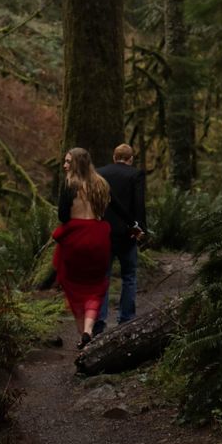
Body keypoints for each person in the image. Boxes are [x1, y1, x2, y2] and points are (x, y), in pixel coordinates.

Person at [52, 147, 112, 350]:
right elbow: (106, 211)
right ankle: (88, 330)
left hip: (76, 239)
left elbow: (62, 216)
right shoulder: (101, 184)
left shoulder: (69, 185)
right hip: (99, 238)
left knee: (74, 287)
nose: (65, 165)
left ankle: (82, 335)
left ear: (77, 163)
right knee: (95, 287)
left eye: (68, 162)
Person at [94, 143, 147, 335]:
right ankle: (126, 320)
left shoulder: (99, 173)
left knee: (102, 278)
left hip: (103, 233)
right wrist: (140, 229)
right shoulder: (135, 174)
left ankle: (99, 322)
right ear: (130, 159)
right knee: (129, 277)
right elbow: (139, 204)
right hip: (126, 234)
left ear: (114, 157)